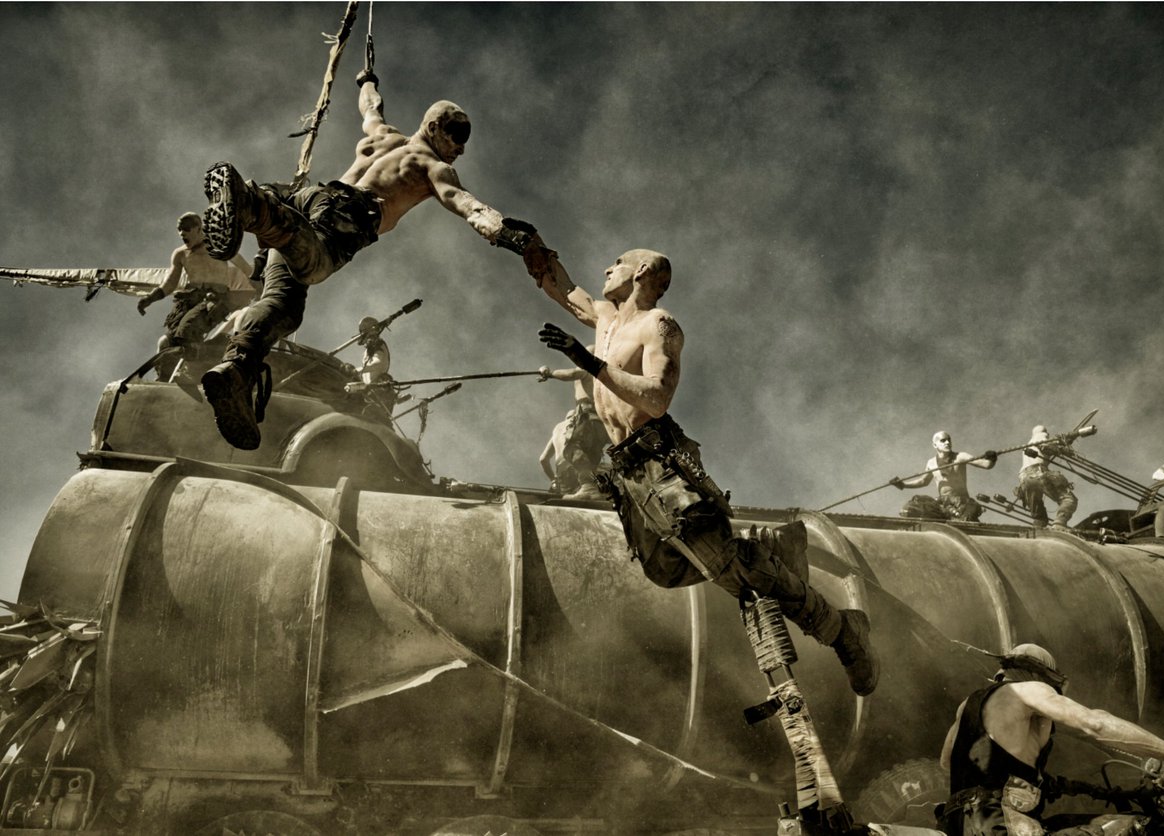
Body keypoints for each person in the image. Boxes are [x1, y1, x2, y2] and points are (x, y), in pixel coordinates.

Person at [520, 242, 878, 696]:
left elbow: (655, 397)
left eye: (616, 264)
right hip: (626, 470)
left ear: (642, 271)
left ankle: (842, 630)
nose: (606, 269)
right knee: (665, 570)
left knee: (726, 566)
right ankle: (761, 551)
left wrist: (588, 361)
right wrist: (524, 243)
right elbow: (563, 286)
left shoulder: (660, 325)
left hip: (657, 456)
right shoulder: (607, 321)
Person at [199, 70, 534, 449]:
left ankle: (235, 369)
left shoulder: (382, 136)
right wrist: (503, 231)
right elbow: (464, 203)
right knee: (317, 265)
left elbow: (370, 108)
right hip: (350, 213)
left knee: (283, 305)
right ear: (435, 126)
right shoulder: (433, 166)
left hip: (310, 200)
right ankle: (252, 206)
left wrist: (366, 81)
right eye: (459, 135)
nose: (461, 147)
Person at [937, 643, 1164, 836]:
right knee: (1139, 829)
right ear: (1042, 676)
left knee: (1071, 822)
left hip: (958, 822)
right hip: (999, 825)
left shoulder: (967, 706)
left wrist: (1029, 783)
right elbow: (1094, 723)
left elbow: (946, 762)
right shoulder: (1029, 689)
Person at [136, 212, 262, 380]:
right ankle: (164, 380)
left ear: (199, 228)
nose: (182, 234)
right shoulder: (180, 254)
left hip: (215, 300)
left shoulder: (219, 247)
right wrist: (150, 299)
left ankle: (194, 369)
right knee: (165, 343)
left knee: (187, 331)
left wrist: (261, 290)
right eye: (180, 230)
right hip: (189, 301)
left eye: (187, 229)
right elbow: (170, 283)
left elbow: (246, 270)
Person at [537, 359, 608, 499]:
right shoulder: (602, 377)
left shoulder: (559, 427)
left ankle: (588, 488)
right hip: (586, 463)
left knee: (568, 500)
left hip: (563, 471)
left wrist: (550, 373)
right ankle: (590, 488)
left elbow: (543, 459)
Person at [890, 431, 997, 522]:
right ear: (935, 445)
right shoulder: (931, 463)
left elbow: (986, 465)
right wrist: (903, 485)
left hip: (961, 503)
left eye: (949, 440)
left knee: (964, 521)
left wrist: (992, 458)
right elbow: (923, 481)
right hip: (943, 504)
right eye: (943, 440)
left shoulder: (960, 457)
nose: (947, 442)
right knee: (910, 508)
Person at [1015, 426, 1078, 530]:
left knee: (1039, 515)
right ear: (1045, 433)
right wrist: (1065, 445)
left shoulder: (1028, 444)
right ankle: (1059, 524)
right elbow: (1050, 446)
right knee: (1069, 500)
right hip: (1039, 474)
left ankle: (1037, 528)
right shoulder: (1042, 438)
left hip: (1024, 479)